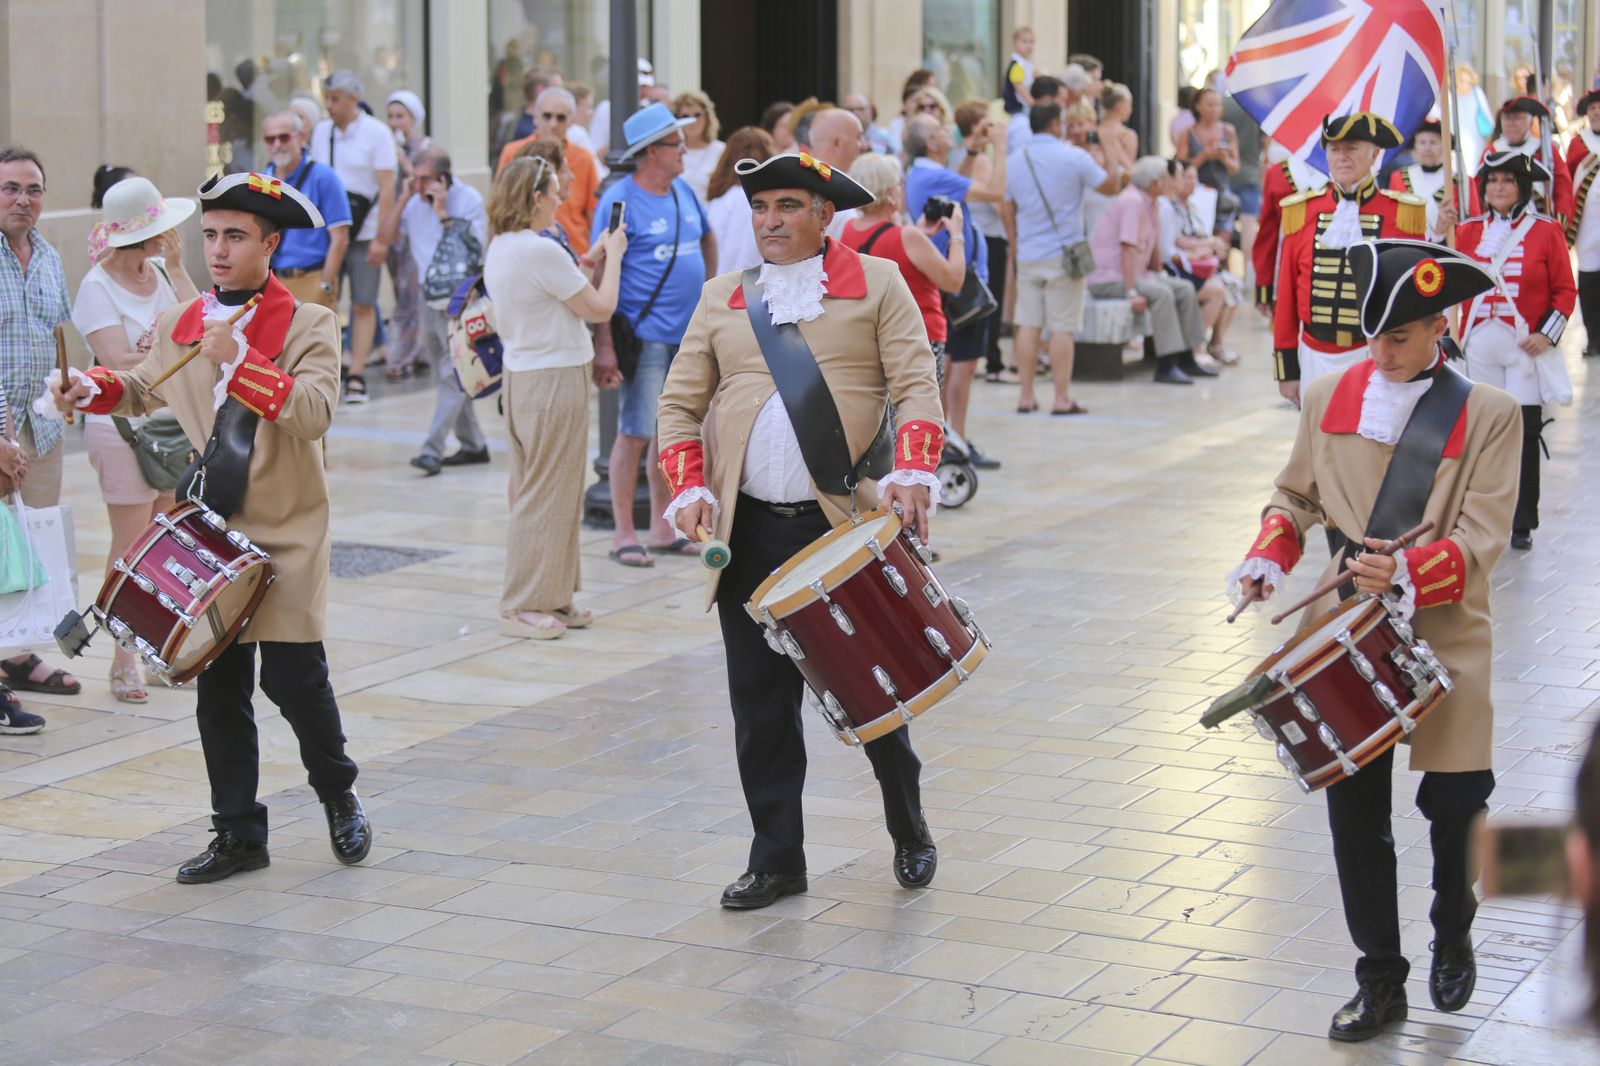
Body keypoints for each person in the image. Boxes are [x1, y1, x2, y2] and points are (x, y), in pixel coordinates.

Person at [1227, 238, 1518, 1043]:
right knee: (1354, 811)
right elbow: (1295, 496)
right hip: (1347, 632)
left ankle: (1453, 929)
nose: (1381, 354)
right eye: (1373, 337)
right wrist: (1267, 555)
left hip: (1446, 631)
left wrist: (1407, 569)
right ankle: (1379, 977)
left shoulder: (1488, 412)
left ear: (1439, 326)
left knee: (1456, 806)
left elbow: (1484, 535)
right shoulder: (1327, 397)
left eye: (1399, 338)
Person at [52, 170, 372, 884]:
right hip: (213, 530)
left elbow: (316, 412)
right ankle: (238, 834)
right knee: (218, 688)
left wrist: (246, 361)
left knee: (296, 683)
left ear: (270, 243)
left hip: (287, 529)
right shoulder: (182, 321)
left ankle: (338, 792)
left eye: (235, 236)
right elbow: (140, 386)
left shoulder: (310, 322)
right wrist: (87, 389)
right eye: (210, 236)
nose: (219, 250)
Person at [656, 154, 944, 909]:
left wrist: (912, 472)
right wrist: (688, 484)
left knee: (870, 698)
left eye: (788, 206)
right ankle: (778, 858)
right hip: (747, 536)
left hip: (839, 530)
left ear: (825, 214)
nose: (771, 221)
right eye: (760, 208)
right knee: (759, 709)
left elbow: (917, 383)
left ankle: (908, 827)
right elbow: (679, 406)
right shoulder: (724, 297)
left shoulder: (876, 285)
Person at [485, 155, 628, 639]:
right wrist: (618, 257)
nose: (562, 198)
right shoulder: (538, 250)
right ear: (535, 197)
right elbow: (600, 306)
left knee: (552, 488)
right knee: (545, 493)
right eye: (554, 190)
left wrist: (594, 257)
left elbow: (561, 291)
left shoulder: (502, 246)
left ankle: (555, 594)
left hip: (523, 375)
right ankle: (522, 604)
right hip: (553, 377)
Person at [74, 176, 201, 703]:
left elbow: (199, 325)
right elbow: (116, 364)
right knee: (129, 547)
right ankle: (121, 660)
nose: (168, 234)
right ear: (137, 234)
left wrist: (176, 266)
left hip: (170, 428)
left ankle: (154, 649)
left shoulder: (161, 274)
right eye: (158, 229)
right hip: (121, 429)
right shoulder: (96, 287)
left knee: (163, 543)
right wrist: (169, 357)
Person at [591, 103, 715, 568]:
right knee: (636, 432)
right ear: (650, 153)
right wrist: (604, 342)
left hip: (687, 338)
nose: (685, 149)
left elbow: (707, 238)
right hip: (643, 338)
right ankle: (625, 530)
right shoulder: (619, 201)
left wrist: (709, 294)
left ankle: (662, 528)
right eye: (676, 143)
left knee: (674, 434)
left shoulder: (684, 191)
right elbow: (601, 266)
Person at [1455, 152, 1576, 552]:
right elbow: (1445, 276)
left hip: (1523, 347)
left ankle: (1522, 521)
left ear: (1522, 188)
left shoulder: (1546, 230)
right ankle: (1481, 514)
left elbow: (1564, 291)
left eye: (1507, 181)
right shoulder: (1468, 230)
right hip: (1479, 346)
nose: (1498, 188)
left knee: (1523, 433)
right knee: (1481, 435)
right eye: (1492, 181)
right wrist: (1440, 233)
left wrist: (1546, 334)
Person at [1273, 114, 1427, 407]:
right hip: (1313, 353)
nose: (1342, 157)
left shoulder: (1401, 214)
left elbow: (1412, 300)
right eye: (1334, 149)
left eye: (1352, 148)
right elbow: (1287, 297)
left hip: (1375, 355)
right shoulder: (1302, 211)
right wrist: (1287, 367)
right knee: (1319, 447)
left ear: (1375, 154)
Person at [0, 145, 80, 713]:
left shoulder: (49, 256)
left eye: (32, 189)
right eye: (10, 188)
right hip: (0, 427)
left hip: (42, 429)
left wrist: (67, 388)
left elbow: (58, 338)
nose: (22, 200)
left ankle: (15, 654)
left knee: (28, 547)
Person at [1004, 102, 1121, 407]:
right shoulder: (1074, 157)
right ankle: (1060, 397)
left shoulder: (1016, 160)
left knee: (1028, 323)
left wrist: (1015, 247)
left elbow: (1007, 206)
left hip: (1028, 252)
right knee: (1061, 327)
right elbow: (1111, 187)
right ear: (1056, 124)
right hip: (1065, 253)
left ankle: (1025, 395)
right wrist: (1109, 147)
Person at [902, 113, 1004, 454]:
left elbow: (956, 186)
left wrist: (974, 152)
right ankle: (956, 439)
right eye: (941, 130)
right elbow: (994, 191)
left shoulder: (925, 173)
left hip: (948, 276)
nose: (949, 133)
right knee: (964, 362)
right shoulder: (933, 174)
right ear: (932, 143)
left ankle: (950, 437)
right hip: (956, 278)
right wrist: (1000, 146)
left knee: (953, 360)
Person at [390, 147, 489, 476]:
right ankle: (474, 443)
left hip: (460, 299)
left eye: (425, 180)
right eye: (414, 179)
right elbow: (384, 240)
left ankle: (431, 450)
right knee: (444, 374)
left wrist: (444, 212)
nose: (418, 186)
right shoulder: (412, 203)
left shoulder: (468, 199)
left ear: (444, 179)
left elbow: (474, 249)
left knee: (453, 375)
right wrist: (403, 199)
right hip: (426, 299)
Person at [311, 70, 397, 405]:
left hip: (365, 231)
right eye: (327, 98)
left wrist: (380, 238)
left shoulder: (377, 133)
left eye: (335, 99)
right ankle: (328, 369)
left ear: (353, 100)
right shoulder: (322, 132)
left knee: (363, 300)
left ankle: (357, 371)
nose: (329, 105)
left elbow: (387, 186)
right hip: (330, 232)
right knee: (325, 297)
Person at [1087, 156, 1211, 384]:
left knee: (1184, 288)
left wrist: (1159, 273)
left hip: (1134, 273)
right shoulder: (1132, 201)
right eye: (1166, 177)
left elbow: (1153, 245)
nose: (1171, 181)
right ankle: (1165, 365)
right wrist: (1131, 291)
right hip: (1111, 278)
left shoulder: (1152, 201)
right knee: (1162, 294)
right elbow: (1128, 248)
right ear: (1154, 182)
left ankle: (1188, 356)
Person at [841, 152, 966, 371]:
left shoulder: (848, 230)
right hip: (917, 337)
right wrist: (957, 235)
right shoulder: (906, 237)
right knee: (920, 404)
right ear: (890, 192)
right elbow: (953, 280)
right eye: (899, 183)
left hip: (873, 337)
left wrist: (917, 233)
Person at [261, 111, 351, 312]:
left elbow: (340, 238)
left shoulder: (324, 177)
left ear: (300, 137)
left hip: (311, 278)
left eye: (283, 137)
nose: (277, 144)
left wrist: (325, 285)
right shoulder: (262, 180)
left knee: (313, 343)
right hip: (272, 280)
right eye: (270, 139)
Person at [498, 88, 601, 256]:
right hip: (526, 254)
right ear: (536, 118)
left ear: (571, 121)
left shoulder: (584, 159)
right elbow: (501, 205)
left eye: (561, 118)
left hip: (574, 255)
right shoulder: (513, 153)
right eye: (547, 116)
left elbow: (592, 215)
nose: (553, 124)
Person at [1161, 161, 1241, 365]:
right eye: (1185, 176)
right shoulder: (1168, 205)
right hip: (1177, 267)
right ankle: (1195, 347)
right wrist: (1204, 247)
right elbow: (1175, 242)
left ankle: (1216, 343)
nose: (1191, 182)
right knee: (1218, 290)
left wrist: (1211, 247)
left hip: (1189, 263)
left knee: (1233, 284)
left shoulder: (1190, 207)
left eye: (1194, 178)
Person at [383, 90, 432, 379]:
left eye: (400, 116)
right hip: (394, 227)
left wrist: (403, 162)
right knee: (400, 291)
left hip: (417, 228)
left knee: (412, 293)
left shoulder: (425, 148)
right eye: (390, 116)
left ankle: (406, 353)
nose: (394, 122)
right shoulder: (384, 147)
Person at [1253, 142, 1327, 310]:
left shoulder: (1342, 175)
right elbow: (1267, 235)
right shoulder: (1277, 174)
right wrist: (1264, 286)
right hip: (1286, 268)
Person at [1483, 96, 1575, 225]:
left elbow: (1563, 184)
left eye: (1518, 118)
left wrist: (1561, 214)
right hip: (1499, 220)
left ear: (1530, 122)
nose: (1512, 123)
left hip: (1539, 217)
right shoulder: (1492, 150)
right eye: (1507, 118)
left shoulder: (1544, 149)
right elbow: (1478, 190)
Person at [706, 126, 776, 275]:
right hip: (741, 285)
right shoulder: (748, 198)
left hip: (722, 283)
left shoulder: (721, 198)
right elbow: (741, 252)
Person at [1565, 86, 1600, 357]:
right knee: (1589, 282)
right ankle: (1594, 338)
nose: (1597, 112)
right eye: (1592, 109)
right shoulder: (1579, 143)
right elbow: (1567, 182)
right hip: (1588, 223)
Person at [1177, 88, 1240, 236]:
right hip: (1197, 193)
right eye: (1210, 104)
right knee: (1200, 236)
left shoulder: (1228, 131)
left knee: (1223, 240)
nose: (1214, 109)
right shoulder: (1187, 133)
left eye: (1217, 104)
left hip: (1222, 194)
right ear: (1198, 106)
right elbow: (1181, 167)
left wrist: (1224, 158)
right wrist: (1203, 155)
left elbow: (1235, 168)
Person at [1387, 120, 1460, 243]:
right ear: (1414, 146)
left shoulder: (1459, 180)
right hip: (1410, 245)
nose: (1427, 148)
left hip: (1449, 247)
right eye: (1422, 142)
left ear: (1445, 145)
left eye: (1433, 142)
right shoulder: (1399, 177)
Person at [674, 90, 725, 203]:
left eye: (697, 115)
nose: (692, 121)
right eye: (685, 116)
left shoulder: (722, 151)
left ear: (707, 118)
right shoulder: (671, 152)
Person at [1097, 84, 1140, 168]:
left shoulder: (1092, 131)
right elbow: (1129, 170)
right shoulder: (1128, 136)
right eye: (1129, 105)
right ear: (1120, 106)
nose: (1131, 109)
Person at [1002, 27, 1036, 115]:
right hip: (1017, 106)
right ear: (1014, 44)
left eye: (1031, 42)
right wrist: (1031, 101)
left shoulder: (1026, 63)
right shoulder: (1017, 64)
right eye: (1024, 42)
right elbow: (1018, 84)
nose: (1028, 46)